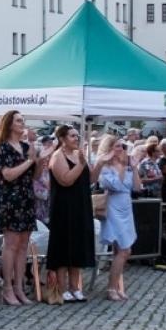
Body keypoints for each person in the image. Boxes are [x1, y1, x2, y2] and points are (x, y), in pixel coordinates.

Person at [0, 110, 40, 304]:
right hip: (10, 200)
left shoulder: (26, 146)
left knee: (23, 246)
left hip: (26, 198)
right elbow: (8, 175)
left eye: (23, 120)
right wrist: (29, 161)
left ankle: (19, 288)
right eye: (19, 120)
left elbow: (32, 177)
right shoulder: (2, 148)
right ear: (9, 124)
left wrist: (39, 162)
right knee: (11, 245)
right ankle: (7, 288)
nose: (22, 123)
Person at [45, 124, 97, 302]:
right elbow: (66, 180)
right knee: (63, 246)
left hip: (81, 205)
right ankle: (61, 286)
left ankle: (75, 287)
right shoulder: (57, 156)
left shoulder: (78, 155)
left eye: (77, 136)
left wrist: (100, 163)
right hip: (63, 207)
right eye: (73, 136)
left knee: (77, 245)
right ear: (62, 139)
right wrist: (81, 165)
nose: (76, 139)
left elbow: (90, 178)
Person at [95, 135, 141, 301]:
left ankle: (116, 286)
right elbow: (114, 185)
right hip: (113, 206)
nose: (120, 149)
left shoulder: (127, 166)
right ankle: (111, 288)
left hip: (126, 206)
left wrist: (134, 168)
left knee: (121, 250)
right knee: (124, 249)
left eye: (121, 146)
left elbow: (137, 187)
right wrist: (121, 167)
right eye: (116, 146)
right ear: (109, 149)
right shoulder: (105, 167)